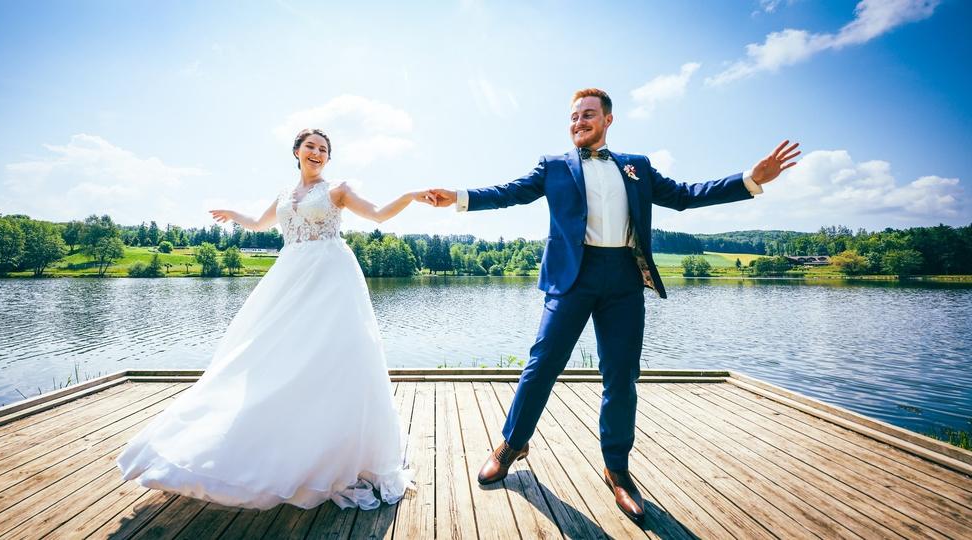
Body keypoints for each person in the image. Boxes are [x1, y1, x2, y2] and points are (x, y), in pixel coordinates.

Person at [426, 88, 799, 523]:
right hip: (572, 278)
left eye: (587, 115)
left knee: (621, 375)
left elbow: (684, 194)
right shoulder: (553, 166)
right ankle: (512, 445)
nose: (578, 122)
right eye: (573, 116)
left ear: (607, 120)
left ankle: (617, 469)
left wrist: (749, 180)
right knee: (542, 363)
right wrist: (459, 196)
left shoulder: (636, 167)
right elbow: (510, 192)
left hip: (624, 278)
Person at [117, 128, 434, 510]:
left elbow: (379, 214)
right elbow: (258, 223)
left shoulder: (338, 190)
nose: (316, 153)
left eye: (323, 149)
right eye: (310, 146)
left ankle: (337, 449)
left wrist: (411, 196)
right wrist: (235, 214)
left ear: (328, 158)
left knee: (333, 353)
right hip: (290, 276)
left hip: (331, 275)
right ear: (297, 152)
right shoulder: (284, 195)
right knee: (269, 352)